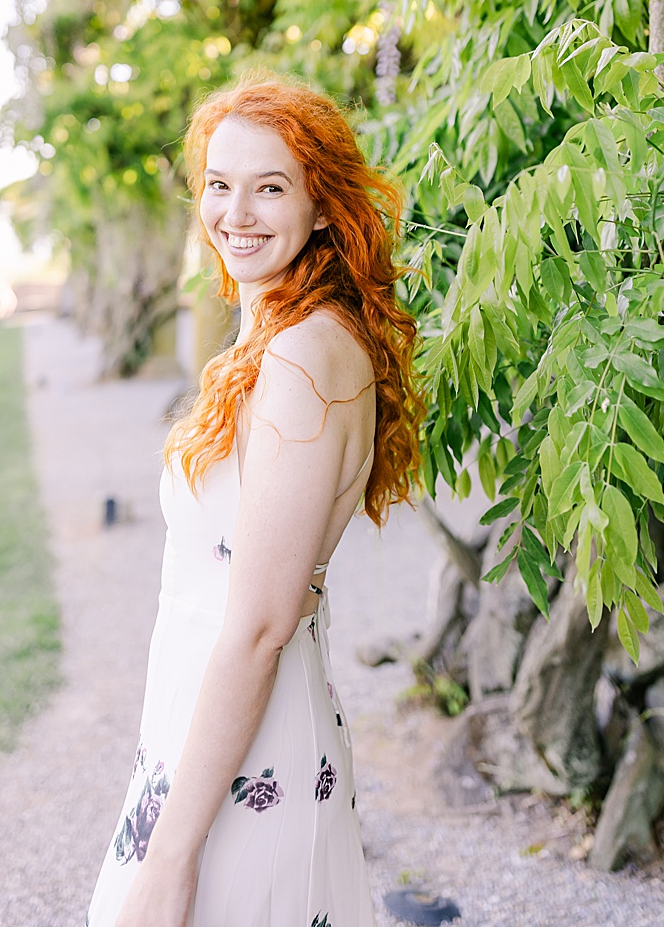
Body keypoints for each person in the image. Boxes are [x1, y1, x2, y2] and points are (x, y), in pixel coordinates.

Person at [88, 74, 422, 927]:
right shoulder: (278, 326)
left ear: (320, 206)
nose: (236, 212)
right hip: (214, 726)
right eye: (220, 184)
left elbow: (262, 624)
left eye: (270, 187)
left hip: (252, 752)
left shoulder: (305, 357)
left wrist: (170, 860)